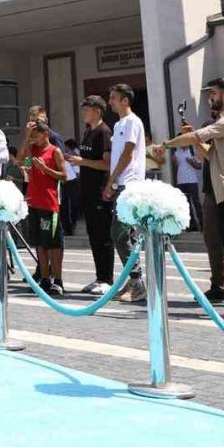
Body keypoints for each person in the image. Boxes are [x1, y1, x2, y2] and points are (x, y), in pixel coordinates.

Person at [164, 77, 224, 322]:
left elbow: (200, 136)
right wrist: (195, 139)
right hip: (222, 190)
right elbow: (209, 154)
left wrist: (165, 144)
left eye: (215, 94)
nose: (211, 98)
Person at [102, 84, 147, 303]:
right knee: (122, 234)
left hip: (129, 185)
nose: (110, 102)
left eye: (113, 98)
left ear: (125, 100)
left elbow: (128, 154)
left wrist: (111, 182)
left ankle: (137, 281)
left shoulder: (132, 122)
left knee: (119, 233)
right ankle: (134, 279)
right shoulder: (119, 123)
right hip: (120, 185)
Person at [18, 117, 67, 296]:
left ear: (46, 134)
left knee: (52, 243)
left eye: (36, 136)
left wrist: (45, 169)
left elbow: (64, 175)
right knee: (39, 243)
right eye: (33, 136)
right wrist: (26, 138)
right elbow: (21, 162)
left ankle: (58, 279)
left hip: (49, 203)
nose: (35, 139)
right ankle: (44, 278)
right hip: (34, 202)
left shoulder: (54, 152)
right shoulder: (33, 151)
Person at [73, 95, 114, 294]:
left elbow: (106, 163)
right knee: (93, 235)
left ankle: (107, 278)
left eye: (87, 109)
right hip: (87, 190)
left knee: (103, 235)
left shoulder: (104, 132)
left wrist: (82, 162)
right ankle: (100, 277)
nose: (84, 113)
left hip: (100, 191)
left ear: (97, 110)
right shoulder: (88, 132)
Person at [173, 144, 204, 232]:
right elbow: (176, 166)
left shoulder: (192, 151)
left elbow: (199, 166)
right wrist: (174, 162)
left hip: (192, 180)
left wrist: (192, 162)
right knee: (186, 204)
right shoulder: (176, 153)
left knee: (196, 202)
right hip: (181, 180)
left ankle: (202, 223)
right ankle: (192, 225)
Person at [60, 138, 80, 235]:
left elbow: (77, 171)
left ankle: (73, 223)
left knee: (74, 204)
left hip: (72, 182)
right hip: (62, 183)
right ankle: (67, 228)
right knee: (63, 206)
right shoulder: (58, 158)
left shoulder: (70, 156)